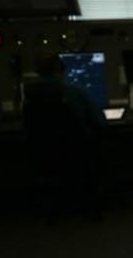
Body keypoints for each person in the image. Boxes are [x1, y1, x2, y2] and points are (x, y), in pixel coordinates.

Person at [22, 52, 107, 221]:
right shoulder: (74, 92)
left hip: (44, 155)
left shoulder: (29, 96)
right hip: (77, 151)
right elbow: (99, 122)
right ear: (61, 70)